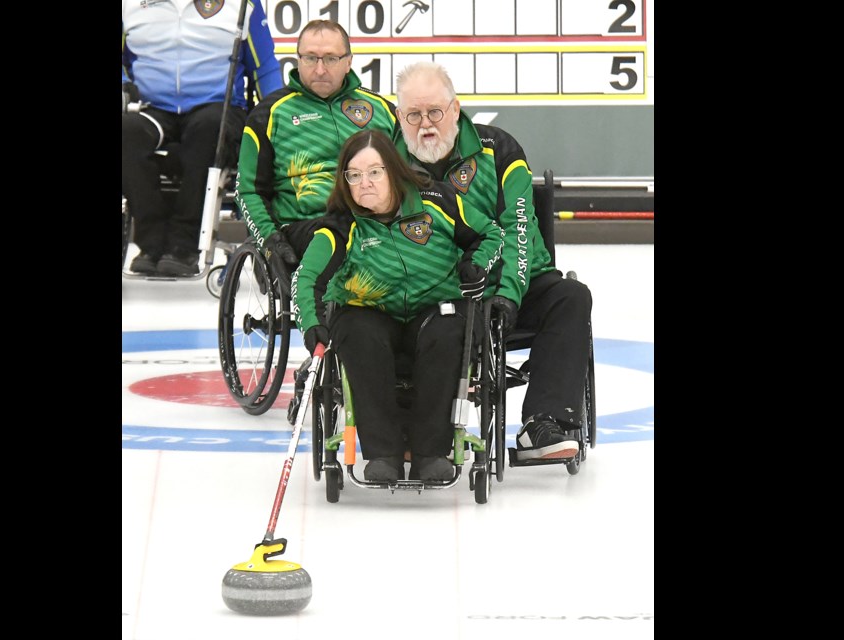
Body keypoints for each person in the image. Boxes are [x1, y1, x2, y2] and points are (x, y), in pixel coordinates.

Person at [393, 61, 594, 463]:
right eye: (413, 115)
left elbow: (518, 232)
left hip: (510, 278)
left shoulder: (499, 149)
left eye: (434, 112)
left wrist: (508, 296)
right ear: (399, 117)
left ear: (455, 109)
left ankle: (543, 422)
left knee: (571, 297)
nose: (425, 124)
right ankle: (413, 426)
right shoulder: (384, 158)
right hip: (434, 288)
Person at [291, 129, 505, 483]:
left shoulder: (437, 201)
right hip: (369, 314)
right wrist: (311, 324)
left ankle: (431, 453)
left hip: (435, 308)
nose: (365, 184)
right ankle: (383, 455)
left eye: (375, 172)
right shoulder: (340, 226)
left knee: (450, 328)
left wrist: (476, 264)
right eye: (354, 176)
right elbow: (306, 278)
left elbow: (491, 234)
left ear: (393, 170)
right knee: (358, 333)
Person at [235, 19, 398, 295]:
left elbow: (408, 177)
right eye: (310, 58)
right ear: (298, 60)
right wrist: (270, 241)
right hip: (303, 229)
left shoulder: (382, 110)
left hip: (374, 222)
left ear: (348, 62)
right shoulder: (269, 114)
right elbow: (248, 190)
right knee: (343, 227)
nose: (320, 69)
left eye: (331, 59)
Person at [122, 0, 283, 276]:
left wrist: (280, 116)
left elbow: (265, 67)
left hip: (217, 107)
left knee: (209, 130)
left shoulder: (242, 5)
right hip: (153, 108)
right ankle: (151, 245)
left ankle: (184, 246)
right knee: (127, 131)